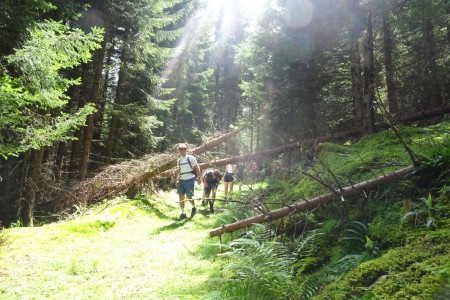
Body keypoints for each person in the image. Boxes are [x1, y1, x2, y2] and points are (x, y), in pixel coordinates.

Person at [175, 143, 201, 220]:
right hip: (182, 180)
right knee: (180, 195)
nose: (182, 151)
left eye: (184, 149)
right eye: (180, 150)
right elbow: (178, 171)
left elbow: (197, 167)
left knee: (189, 196)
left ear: (186, 150)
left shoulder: (191, 158)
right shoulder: (179, 161)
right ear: (179, 151)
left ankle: (194, 207)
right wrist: (176, 180)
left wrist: (199, 177)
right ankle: (183, 213)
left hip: (190, 179)